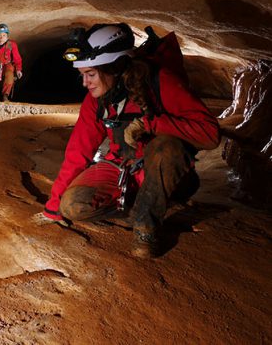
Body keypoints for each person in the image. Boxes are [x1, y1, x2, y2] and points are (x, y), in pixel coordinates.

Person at [35, 23, 220, 258]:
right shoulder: (97, 98)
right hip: (123, 170)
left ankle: (146, 228)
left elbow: (210, 134)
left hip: (165, 172)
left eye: (90, 74)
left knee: (166, 146)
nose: (85, 83)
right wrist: (53, 206)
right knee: (73, 206)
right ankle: (146, 206)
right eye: (82, 75)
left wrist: (152, 124)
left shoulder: (160, 82)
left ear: (117, 66)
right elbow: (78, 150)